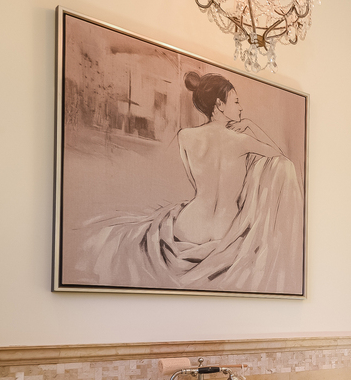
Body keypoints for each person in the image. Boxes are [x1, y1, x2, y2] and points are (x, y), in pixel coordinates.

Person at [76, 71, 304, 295]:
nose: (241, 107)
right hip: (226, 231)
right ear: (220, 105)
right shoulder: (243, 141)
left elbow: (196, 182)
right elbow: (282, 159)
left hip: (188, 227)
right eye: (236, 101)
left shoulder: (184, 136)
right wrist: (253, 127)